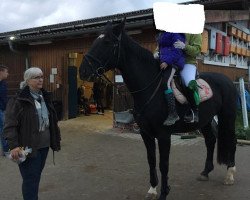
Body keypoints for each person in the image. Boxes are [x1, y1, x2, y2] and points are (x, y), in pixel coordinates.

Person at [3, 67, 61, 200]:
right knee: (30, 179)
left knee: (35, 176)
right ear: (28, 80)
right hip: (28, 147)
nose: (40, 79)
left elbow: (51, 119)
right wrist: (14, 146)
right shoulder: (18, 100)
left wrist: (55, 136)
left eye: (41, 76)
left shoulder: (44, 96)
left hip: (44, 145)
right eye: (36, 77)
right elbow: (10, 125)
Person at [157, 32, 186, 126]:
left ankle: (173, 113)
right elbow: (162, 49)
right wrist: (158, 55)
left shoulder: (176, 33)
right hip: (164, 61)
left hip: (174, 62)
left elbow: (177, 52)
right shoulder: (163, 34)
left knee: (166, 82)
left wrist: (167, 61)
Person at [174, 33, 202, 123]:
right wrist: (157, 52)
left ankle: (194, 111)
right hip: (169, 61)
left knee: (189, 83)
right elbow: (163, 42)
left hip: (187, 63)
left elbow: (197, 50)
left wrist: (185, 47)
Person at [0, 64, 9, 155]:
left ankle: (5, 149)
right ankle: (6, 149)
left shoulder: (4, 83)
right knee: (3, 129)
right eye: (6, 72)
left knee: (3, 129)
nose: (8, 74)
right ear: (1, 72)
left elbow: (4, 97)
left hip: (2, 109)